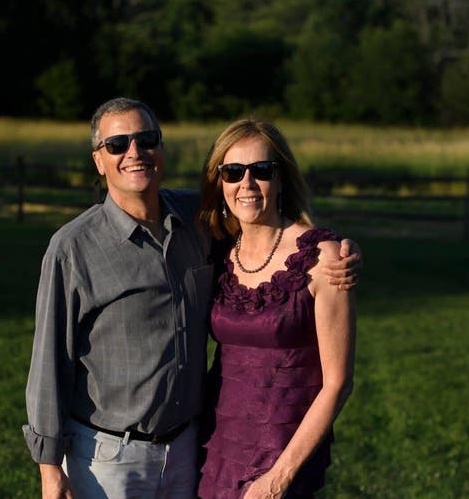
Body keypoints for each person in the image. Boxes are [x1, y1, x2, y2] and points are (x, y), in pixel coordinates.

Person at [23, 98, 359, 498]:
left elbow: (270, 237)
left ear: (160, 148)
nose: (135, 153)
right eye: (118, 144)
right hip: (110, 458)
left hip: (190, 448)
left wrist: (338, 250)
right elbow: (49, 363)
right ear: (99, 160)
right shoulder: (72, 248)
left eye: (146, 139)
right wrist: (49, 468)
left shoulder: (199, 222)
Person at [197, 118, 357, 498]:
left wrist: (278, 478)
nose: (246, 184)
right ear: (219, 182)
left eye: (262, 171)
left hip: (283, 451)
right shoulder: (218, 252)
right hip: (214, 444)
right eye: (233, 171)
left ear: (282, 177)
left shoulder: (324, 259)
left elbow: (338, 383)